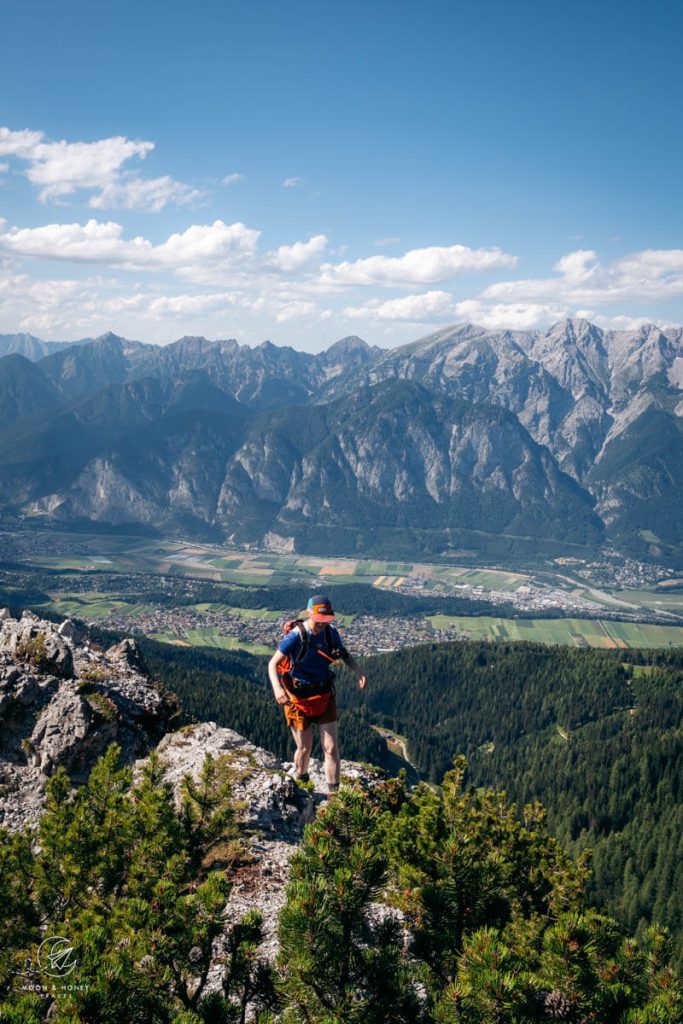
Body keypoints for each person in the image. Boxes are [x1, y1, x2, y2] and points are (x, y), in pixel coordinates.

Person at [268, 594, 366, 797]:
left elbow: (343, 653)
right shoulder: (296, 636)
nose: (322, 625)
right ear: (308, 614)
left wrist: (358, 671)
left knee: (330, 748)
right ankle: (302, 779)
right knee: (305, 748)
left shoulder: (330, 634)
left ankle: (334, 796)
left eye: (326, 621)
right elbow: (273, 663)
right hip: (298, 699)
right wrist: (278, 689)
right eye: (319, 621)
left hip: (323, 695)